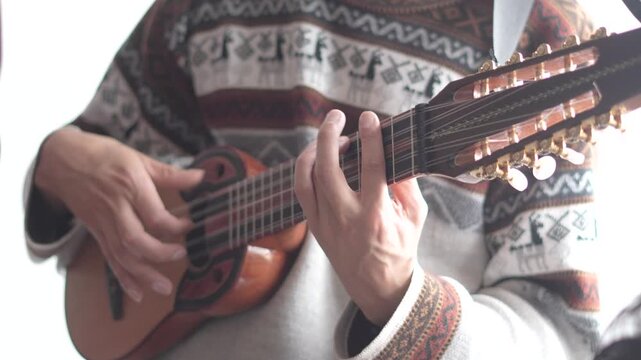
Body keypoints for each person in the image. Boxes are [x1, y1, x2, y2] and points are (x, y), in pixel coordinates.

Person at [25, 0, 604, 358]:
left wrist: (400, 300)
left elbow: (559, 338)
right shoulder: (203, 7)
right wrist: (57, 160)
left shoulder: (547, 38)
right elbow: (91, 203)